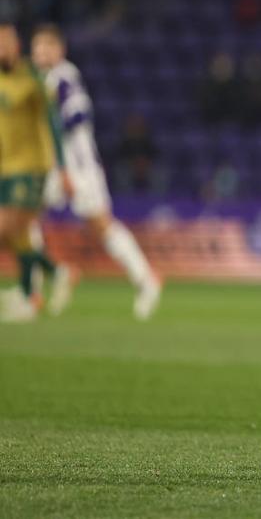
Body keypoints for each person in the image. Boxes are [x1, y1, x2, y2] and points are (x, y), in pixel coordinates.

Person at [30, 24, 161, 320]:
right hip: (53, 166)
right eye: (37, 47)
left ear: (59, 50)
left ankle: (146, 279)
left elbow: (79, 115)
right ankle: (35, 290)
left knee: (101, 225)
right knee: (24, 217)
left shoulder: (64, 77)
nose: (41, 53)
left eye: (47, 47)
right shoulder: (39, 79)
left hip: (78, 167)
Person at [0, 23, 74, 323]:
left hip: (32, 166)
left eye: (6, 44)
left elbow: (54, 122)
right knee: (17, 234)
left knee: (7, 228)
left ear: (17, 47)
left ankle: (33, 293)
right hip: (7, 167)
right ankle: (50, 278)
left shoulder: (32, 75)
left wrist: (63, 167)